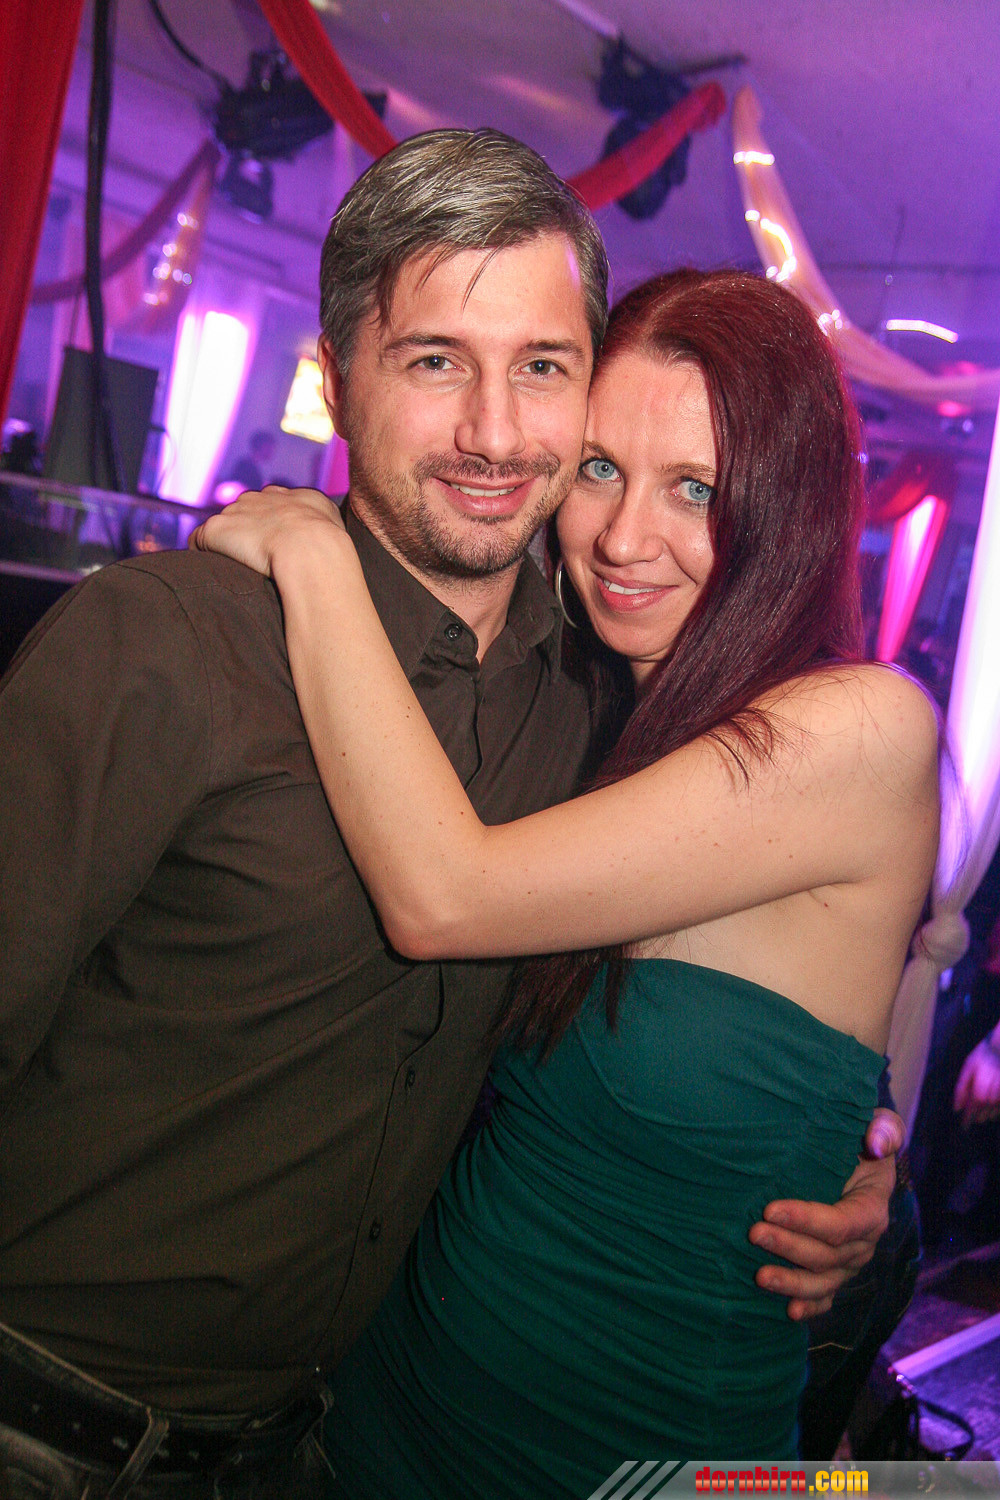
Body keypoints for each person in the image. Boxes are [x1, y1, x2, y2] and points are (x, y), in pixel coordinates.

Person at [0, 131, 895, 1499]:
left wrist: (855, 1156)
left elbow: (715, 990)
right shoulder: (168, 641)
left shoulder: (596, 717)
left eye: (540, 368)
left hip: (324, 1445)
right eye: (434, 361)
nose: (493, 432)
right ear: (335, 379)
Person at [191, 265, 940, 1483]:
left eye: (695, 489)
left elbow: (445, 898)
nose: (621, 538)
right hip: (371, 1419)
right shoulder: (578, 718)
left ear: (789, 505)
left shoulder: (862, 725)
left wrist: (310, 550)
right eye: (599, 469)